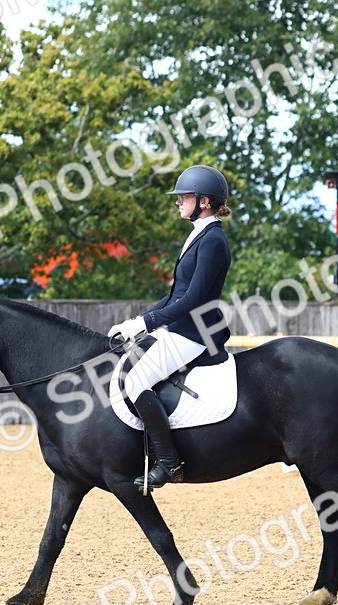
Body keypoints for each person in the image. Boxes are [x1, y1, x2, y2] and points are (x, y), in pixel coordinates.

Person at [108, 164, 233, 491]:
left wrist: (147, 323)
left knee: (135, 381)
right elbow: (174, 293)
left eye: (184, 197)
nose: (178, 202)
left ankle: (169, 462)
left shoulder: (213, 241)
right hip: (178, 326)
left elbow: (193, 298)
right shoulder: (199, 234)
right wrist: (138, 322)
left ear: (203, 202)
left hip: (193, 332)